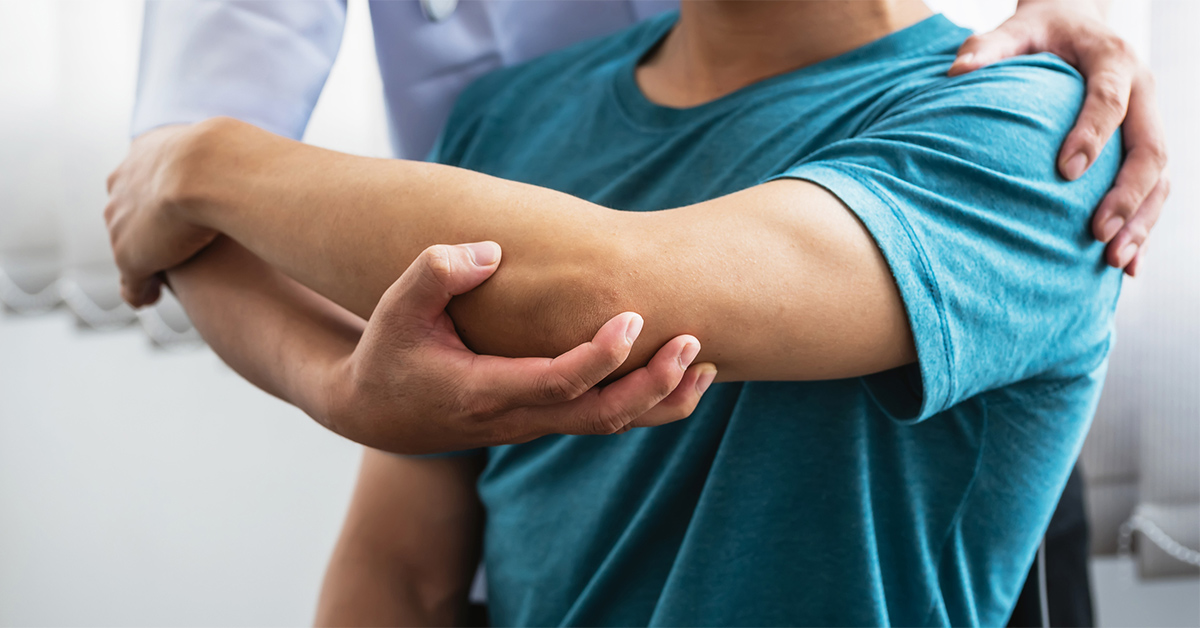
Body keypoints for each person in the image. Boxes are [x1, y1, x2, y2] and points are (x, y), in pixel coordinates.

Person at [107, 0, 1134, 624]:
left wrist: (204, 161)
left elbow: (608, 296)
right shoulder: (507, 118)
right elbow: (401, 567)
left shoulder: (1034, 130)